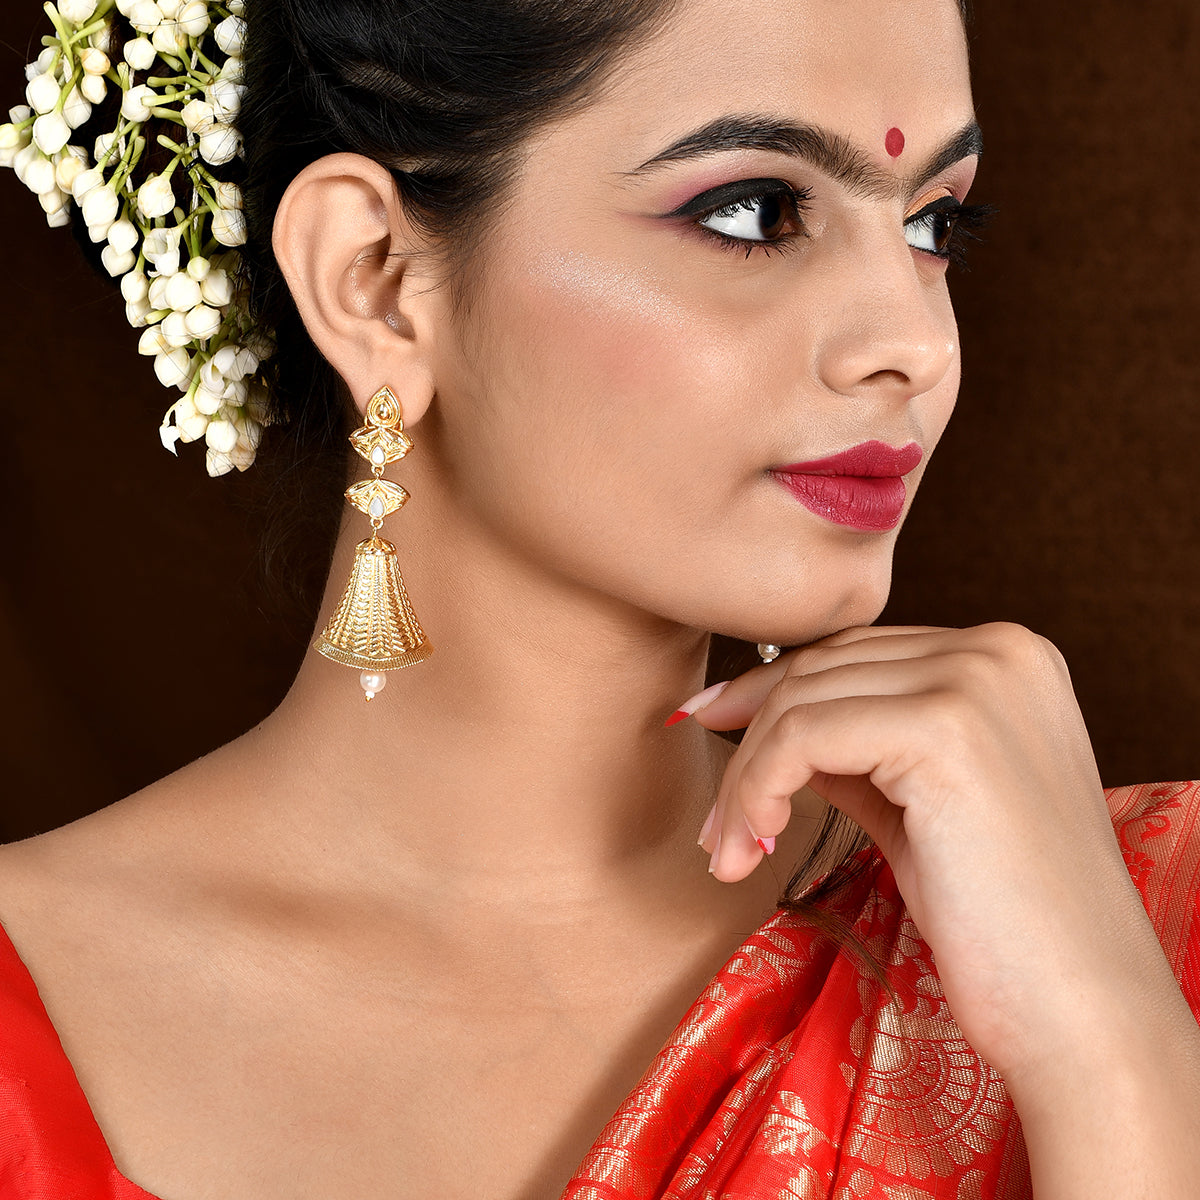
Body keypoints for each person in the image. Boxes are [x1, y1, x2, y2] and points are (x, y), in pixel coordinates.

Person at [0, 0, 1197, 1197]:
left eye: (935, 224)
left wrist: (1114, 1056)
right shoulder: (30, 1014)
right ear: (374, 282)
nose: (916, 344)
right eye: (756, 212)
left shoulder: (1122, 925)